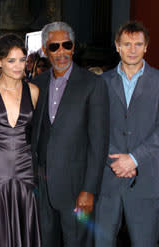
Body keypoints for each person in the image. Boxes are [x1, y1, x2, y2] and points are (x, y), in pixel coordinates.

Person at [31, 21, 109, 246]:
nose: (61, 52)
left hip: (77, 189)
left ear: (74, 47)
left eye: (67, 45)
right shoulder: (37, 83)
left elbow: (99, 142)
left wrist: (89, 190)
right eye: (54, 47)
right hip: (42, 186)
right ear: (45, 51)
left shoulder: (93, 84)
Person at [95, 21, 159, 247]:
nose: (132, 49)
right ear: (117, 46)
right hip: (107, 180)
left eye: (138, 44)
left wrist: (134, 158)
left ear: (146, 47)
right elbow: (95, 129)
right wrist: (114, 159)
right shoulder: (100, 84)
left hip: (146, 181)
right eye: (127, 44)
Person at [0, 33, 41, 247]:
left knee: (25, 226)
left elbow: (38, 133)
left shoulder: (34, 91)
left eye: (22, 60)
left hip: (25, 167)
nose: (19, 66)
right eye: (11, 60)